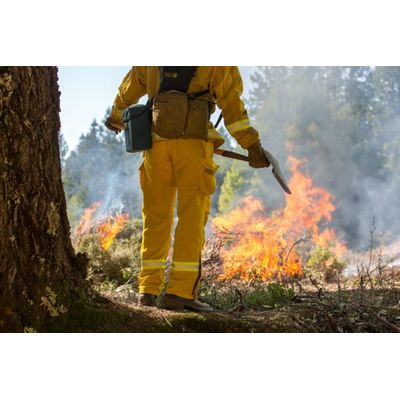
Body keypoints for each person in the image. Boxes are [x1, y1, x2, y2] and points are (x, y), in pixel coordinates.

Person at [105, 66, 269, 312]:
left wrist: (116, 115)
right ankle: (180, 293)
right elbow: (232, 105)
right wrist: (252, 145)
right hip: (192, 145)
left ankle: (148, 291)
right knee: (191, 217)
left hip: (155, 146)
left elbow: (129, 87)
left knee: (156, 218)